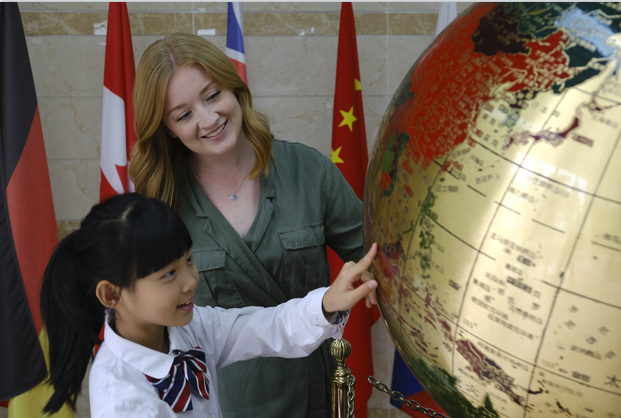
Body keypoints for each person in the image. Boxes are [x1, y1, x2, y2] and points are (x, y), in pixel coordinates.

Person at [129, 33, 367, 417]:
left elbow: (376, 259)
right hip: (221, 405)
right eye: (184, 115)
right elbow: (150, 324)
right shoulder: (159, 204)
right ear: (167, 128)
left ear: (234, 88)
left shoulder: (308, 170)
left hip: (315, 397)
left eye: (212, 96)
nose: (209, 119)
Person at [40, 193, 377, 418]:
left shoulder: (191, 327)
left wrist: (328, 301)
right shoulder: (120, 400)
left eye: (189, 260)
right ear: (111, 295)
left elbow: (267, 327)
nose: (191, 280)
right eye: (169, 273)